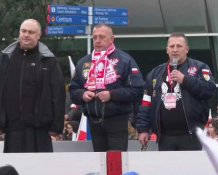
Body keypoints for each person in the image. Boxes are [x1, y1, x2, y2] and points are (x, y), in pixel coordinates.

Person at [70, 24, 144, 152]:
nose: (97, 40)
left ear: (112, 39)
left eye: (102, 37)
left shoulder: (125, 60)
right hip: (93, 121)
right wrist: (82, 95)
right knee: (100, 163)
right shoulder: (83, 62)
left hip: (117, 120)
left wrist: (112, 95)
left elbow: (137, 90)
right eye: (95, 37)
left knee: (115, 163)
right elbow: (73, 90)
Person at [136, 33, 216, 151]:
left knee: (190, 169)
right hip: (165, 136)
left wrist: (185, 80)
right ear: (166, 50)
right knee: (168, 169)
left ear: (187, 49)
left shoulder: (199, 67)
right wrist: (142, 129)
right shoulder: (155, 73)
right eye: (171, 46)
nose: (175, 50)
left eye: (179, 46)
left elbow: (209, 90)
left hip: (191, 135)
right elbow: (146, 103)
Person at [0, 19, 66, 153]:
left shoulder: (49, 60)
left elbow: (58, 95)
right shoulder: (6, 58)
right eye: (23, 31)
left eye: (31, 32)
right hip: (13, 130)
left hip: (40, 131)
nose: (26, 35)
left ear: (38, 36)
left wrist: (56, 128)